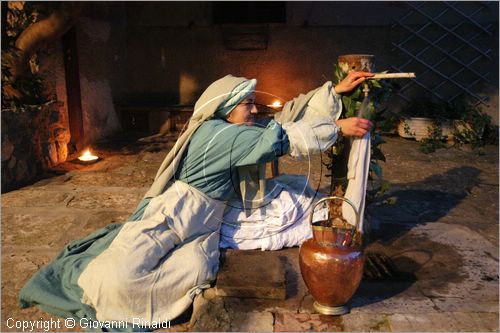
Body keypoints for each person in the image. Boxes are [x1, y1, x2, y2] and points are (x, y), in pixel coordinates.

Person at [19, 72, 373, 329]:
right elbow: (278, 138)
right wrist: (335, 128)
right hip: (174, 215)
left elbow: (283, 120)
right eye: (248, 105)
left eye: (252, 104)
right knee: (114, 280)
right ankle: (102, 291)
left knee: (193, 268)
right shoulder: (218, 134)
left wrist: (333, 91)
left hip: (204, 222)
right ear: (228, 108)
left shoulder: (236, 130)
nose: (254, 110)